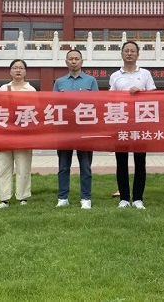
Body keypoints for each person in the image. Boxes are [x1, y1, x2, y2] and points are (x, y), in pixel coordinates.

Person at [109, 41, 156, 209]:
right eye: (126, 51)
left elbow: (154, 96)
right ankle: (124, 198)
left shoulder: (145, 74)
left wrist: (141, 93)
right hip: (121, 123)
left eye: (132, 51)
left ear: (138, 54)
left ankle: (137, 198)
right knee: (121, 161)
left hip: (140, 123)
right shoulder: (115, 76)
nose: (129, 53)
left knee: (140, 161)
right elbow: (110, 99)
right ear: (122, 54)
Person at [53, 49, 99, 209]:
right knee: (63, 166)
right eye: (71, 59)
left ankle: (86, 198)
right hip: (64, 129)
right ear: (66, 62)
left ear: (82, 61)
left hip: (85, 130)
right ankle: (62, 197)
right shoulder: (59, 82)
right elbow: (52, 104)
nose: (73, 61)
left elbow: (97, 103)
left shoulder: (91, 81)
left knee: (85, 166)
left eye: (76, 59)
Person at [0, 59, 36, 210]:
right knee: (3, 166)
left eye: (21, 68)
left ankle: (23, 197)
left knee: (23, 166)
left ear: (25, 72)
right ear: (10, 71)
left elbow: (35, 110)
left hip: (23, 134)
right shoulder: (3, 88)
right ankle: (4, 198)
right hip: (4, 134)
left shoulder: (31, 90)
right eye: (15, 68)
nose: (18, 70)